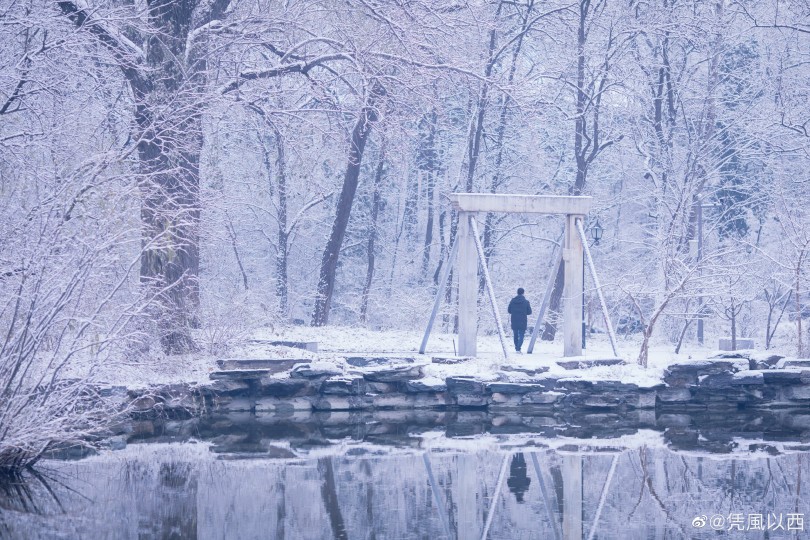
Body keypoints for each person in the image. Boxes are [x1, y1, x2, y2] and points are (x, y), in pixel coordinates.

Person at [508, 287, 532, 353]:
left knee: (515, 334)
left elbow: (509, 311)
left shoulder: (512, 301)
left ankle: (517, 348)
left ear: (517, 292)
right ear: (523, 293)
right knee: (521, 335)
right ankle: (518, 349)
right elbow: (529, 312)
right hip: (522, 320)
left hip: (514, 320)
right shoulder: (526, 302)